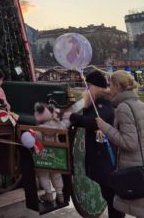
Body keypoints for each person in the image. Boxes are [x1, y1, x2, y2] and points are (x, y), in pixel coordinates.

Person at [69, 70, 123, 218]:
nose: (86, 91)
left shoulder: (103, 102)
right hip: (100, 159)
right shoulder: (95, 103)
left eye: (88, 87)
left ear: (95, 88)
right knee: (108, 194)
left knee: (111, 196)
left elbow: (94, 122)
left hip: (106, 159)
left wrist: (72, 117)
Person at [96, 71, 144, 218]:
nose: (109, 89)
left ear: (117, 86)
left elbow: (129, 143)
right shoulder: (139, 104)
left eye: (110, 85)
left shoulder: (123, 108)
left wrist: (106, 128)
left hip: (133, 168)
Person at [34, 103, 70, 205]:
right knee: (57, 174)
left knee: (43, 175)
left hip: (43, 156)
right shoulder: (57, 125)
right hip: (56, 155)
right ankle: (60, 194)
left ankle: (48, 194)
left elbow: (31, 137)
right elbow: (66, 124)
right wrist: (65, 117)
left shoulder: (37, 130)